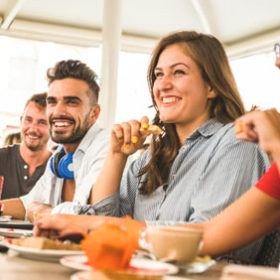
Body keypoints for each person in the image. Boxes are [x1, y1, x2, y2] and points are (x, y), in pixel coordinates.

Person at [33, 31, 270, 261]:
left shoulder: (237, 142)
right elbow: (103, 222)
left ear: (212, 86)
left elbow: (206, 239)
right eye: (158, 75)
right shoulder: (150, 156)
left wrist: (92, 224)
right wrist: (116, 156)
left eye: (178, 72)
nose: (163, 85)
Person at [0, 59, 110, 220]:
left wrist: (42, 212)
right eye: (52, 102)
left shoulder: (106, 146)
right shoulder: (60, 155)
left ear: (94, 113)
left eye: (71, 102)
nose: (58, 111)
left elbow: (85, 215)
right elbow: (28, 205)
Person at [0, 93, 51, 199]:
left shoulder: (57, 168)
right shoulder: (2, 158)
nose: (33, 129)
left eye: (42, 122)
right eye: (28, 120)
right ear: (21, 121)